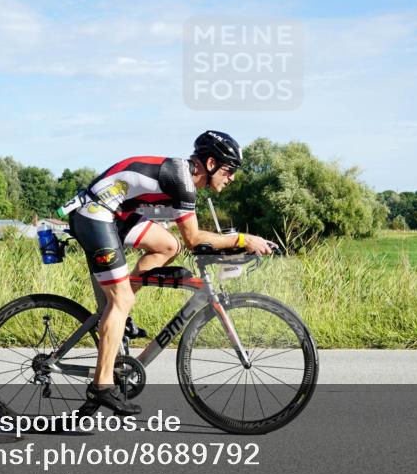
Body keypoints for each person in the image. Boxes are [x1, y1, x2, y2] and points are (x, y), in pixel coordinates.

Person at [68, 131, 274, 416]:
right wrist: (243, 240)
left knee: (168, 245)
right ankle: (102, 385)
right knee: (121, 300)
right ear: (211, 163)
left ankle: (118, 315)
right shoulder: (182, 180)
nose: (232, 178)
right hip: (94, 214)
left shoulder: (184, 178)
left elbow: (188, 242)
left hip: (117, 213)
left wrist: (231, 247)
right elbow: (195, 239)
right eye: (229, 170)